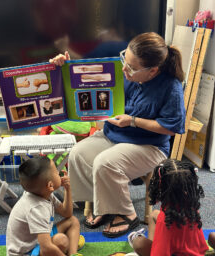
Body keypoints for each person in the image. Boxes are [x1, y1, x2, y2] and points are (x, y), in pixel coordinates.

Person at [50, 32, 186, 238]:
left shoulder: (171, 87)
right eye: (125, 59)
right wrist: (67, 68)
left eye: (131, 67)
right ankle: (102, 205)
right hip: (114, 135)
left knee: (105, 163)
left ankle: (127, 214)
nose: (124, 69)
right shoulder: (124, 72)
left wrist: (132, 121)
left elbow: (171, 127)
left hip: (150, 146)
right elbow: (89, 78)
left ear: (153, 71)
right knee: (77, 153)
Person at [6, 156, 100, 256]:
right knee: (61, 240)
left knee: (72, 221)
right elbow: (46, 248)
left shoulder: (44, 193)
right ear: (50, 185)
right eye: (56, 171)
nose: (59, 173)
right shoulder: (36, 208)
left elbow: (67, 213)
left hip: (36, 240)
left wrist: (68, 189)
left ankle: (73, 255)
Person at [124, 159, 208, 256]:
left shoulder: (166, 221)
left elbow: (163, 253)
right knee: (154, 214)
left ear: (160, 185)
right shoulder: (190, 205)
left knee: (138, 243)